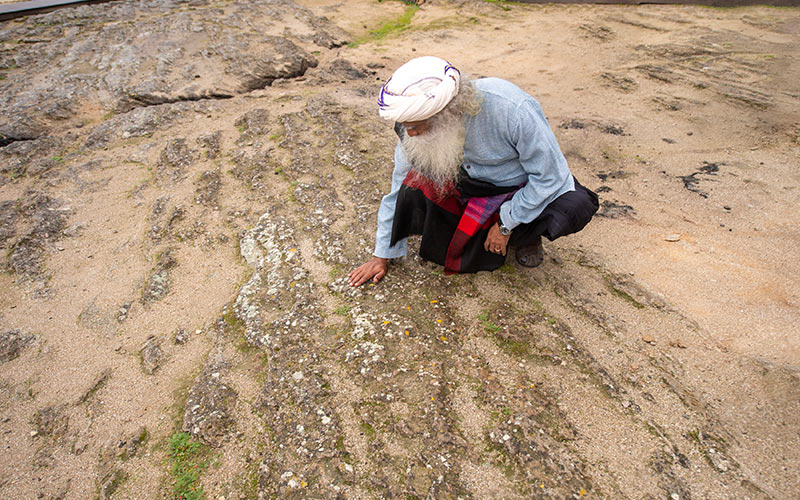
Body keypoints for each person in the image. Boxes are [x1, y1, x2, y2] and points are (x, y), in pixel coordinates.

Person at [348, 56, 598, 287]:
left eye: (415, 126)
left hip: (517, 187)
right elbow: (398, 185)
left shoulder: (511, 108)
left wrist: (505, 224)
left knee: (574, 205)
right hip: (468, 187)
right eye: (405, 125)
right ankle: (489, 230)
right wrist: (381, 255)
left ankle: (526, 235)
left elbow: (550, 176)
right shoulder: (413, 126)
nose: (409, 133)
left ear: (446, 114)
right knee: (413, 187)